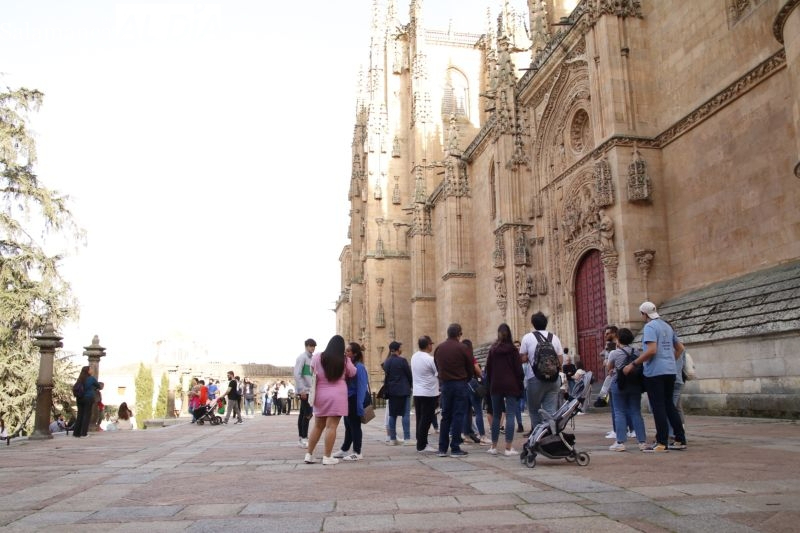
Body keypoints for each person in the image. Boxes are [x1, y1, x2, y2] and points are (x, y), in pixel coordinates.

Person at [623, 301, 687, 452]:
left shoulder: (650, 327)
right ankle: (680, 439)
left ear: (644, 314)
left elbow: (651, 350)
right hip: (670, 371)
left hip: (655, 372)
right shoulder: (666, 326)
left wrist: (633, 364)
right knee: (669, 405)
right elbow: (680, 348)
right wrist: (670, 359)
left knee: (658, 407)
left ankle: (662, 442)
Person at [304, 335, 356, 465]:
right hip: (338, 395)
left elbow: (312, 370)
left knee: (318, 425)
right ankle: (327, 456)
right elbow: (353, 372)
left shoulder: (317, 357)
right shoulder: (344, 360)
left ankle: (309, 454)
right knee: (331, 426)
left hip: (320, 395)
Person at [433, 323, 474, 457]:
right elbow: (470, 368)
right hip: (460, 384)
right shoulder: (462, 348)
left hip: (445, 385)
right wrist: (465, 379)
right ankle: (455, 447)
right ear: (458, 334)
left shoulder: (439, 348)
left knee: (446, 416)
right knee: (458, 415)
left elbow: (437, 365)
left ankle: (442, 448)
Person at [519, 312, 564, 431]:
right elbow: (560, 359)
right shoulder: (554, 337)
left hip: (534, 378)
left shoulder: (527, 337)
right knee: (550, 412)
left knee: (534, 410)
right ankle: (548, 437)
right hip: (553, 379)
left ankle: (537, 436)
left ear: (533, 324)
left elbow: (522, 358)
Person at [485, 323, 525, 456]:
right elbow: (519, 370)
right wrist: (519, 384)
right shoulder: (513, 350)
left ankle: (493, 446)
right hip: (511, 385)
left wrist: (490, 384)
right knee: (510, 415)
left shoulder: (493, 350)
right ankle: (508, 448)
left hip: (496, 385)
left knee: (496, 415)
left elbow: (488, 370)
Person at [607, 328, 647, 451]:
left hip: (619, 383)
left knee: (619, 411)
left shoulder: (614, 353)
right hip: (635, 384)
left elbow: (609, 368)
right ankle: (642, 442)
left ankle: (620, 442)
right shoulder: (637, 352)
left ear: (618, 339)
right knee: (636, 411)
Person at [333, 342, 369, 461]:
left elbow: (361, 387)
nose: (346, 353)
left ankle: (357, 452)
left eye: (348, 351)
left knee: (355, 425)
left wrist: (359, 406)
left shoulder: (359, 367)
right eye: (346, 350)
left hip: (354, 399)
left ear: (354, 353)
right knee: (348, 425)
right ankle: (345, 449)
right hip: (347, 399)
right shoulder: (349, 365)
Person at [410, 335, 439, 453]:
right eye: (431, 344)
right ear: (428, 345)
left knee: (420, 418)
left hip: (417, 392)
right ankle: (422, 445)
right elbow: (438, 373)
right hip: (429, 392)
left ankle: (420, 442)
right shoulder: (429, 359)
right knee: (426, 419)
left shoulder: (414, 356)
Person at [383, 341, 412, 445]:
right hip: (403, 390)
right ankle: (407, 438)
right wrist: (410, 385)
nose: (401, 349)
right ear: (397, 349)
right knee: (405, 414)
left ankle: (392, 438)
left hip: (392, 391)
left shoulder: (387, 362)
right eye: (400, 347)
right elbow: (409, 375)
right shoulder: (402, 360)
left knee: (392, 415)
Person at [462, 339, 490, 445]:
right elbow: (478, 371)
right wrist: (483, 377)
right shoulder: (470, 358)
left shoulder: (460, 358)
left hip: (463, 386)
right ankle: (482, 435)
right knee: (478, 411)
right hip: (473, 385)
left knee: (466, 411)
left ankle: (466, 436)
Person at [294, 338, 316, 448]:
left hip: (309, 390)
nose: (313, 348)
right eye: (311, 346)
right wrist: (301, 390)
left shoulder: (312, 358)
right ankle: (304, 437)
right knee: (308, 414)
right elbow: (297, 374)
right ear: (306, 346)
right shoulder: (302, 358)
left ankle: (301, 438)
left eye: (314, 346)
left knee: (303, 414)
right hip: (304, 390)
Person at [73, 365, 100, 438]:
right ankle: (83, 433)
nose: (92, 370)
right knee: (86, 415)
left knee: (80, 415)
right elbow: (98, 386)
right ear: (88, 371)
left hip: (79, 398)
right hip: (88, 398)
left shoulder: (80, 379)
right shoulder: (91, 379)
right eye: (90, 369)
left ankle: (76, 433)